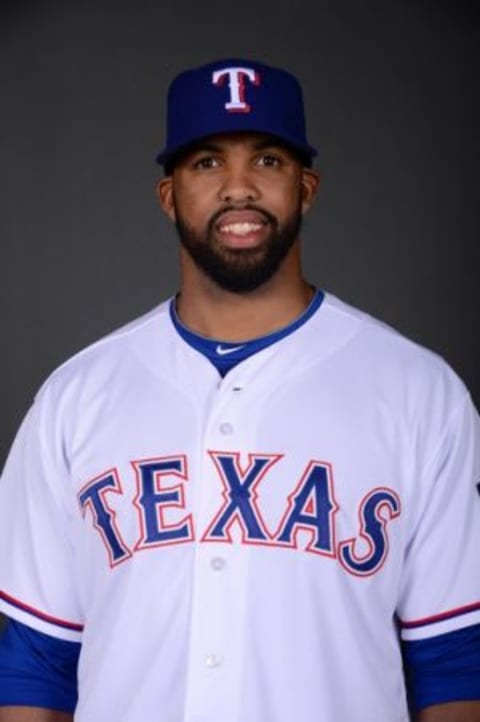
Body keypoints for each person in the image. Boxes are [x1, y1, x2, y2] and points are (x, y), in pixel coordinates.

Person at [0, 58, 479, 722]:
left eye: (268, 161)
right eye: (205, 163)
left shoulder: (420, 392)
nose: (238, 188)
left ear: (306, 188)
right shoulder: (75, 398)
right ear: (169, 195)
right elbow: (38, 658)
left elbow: (453, 658)